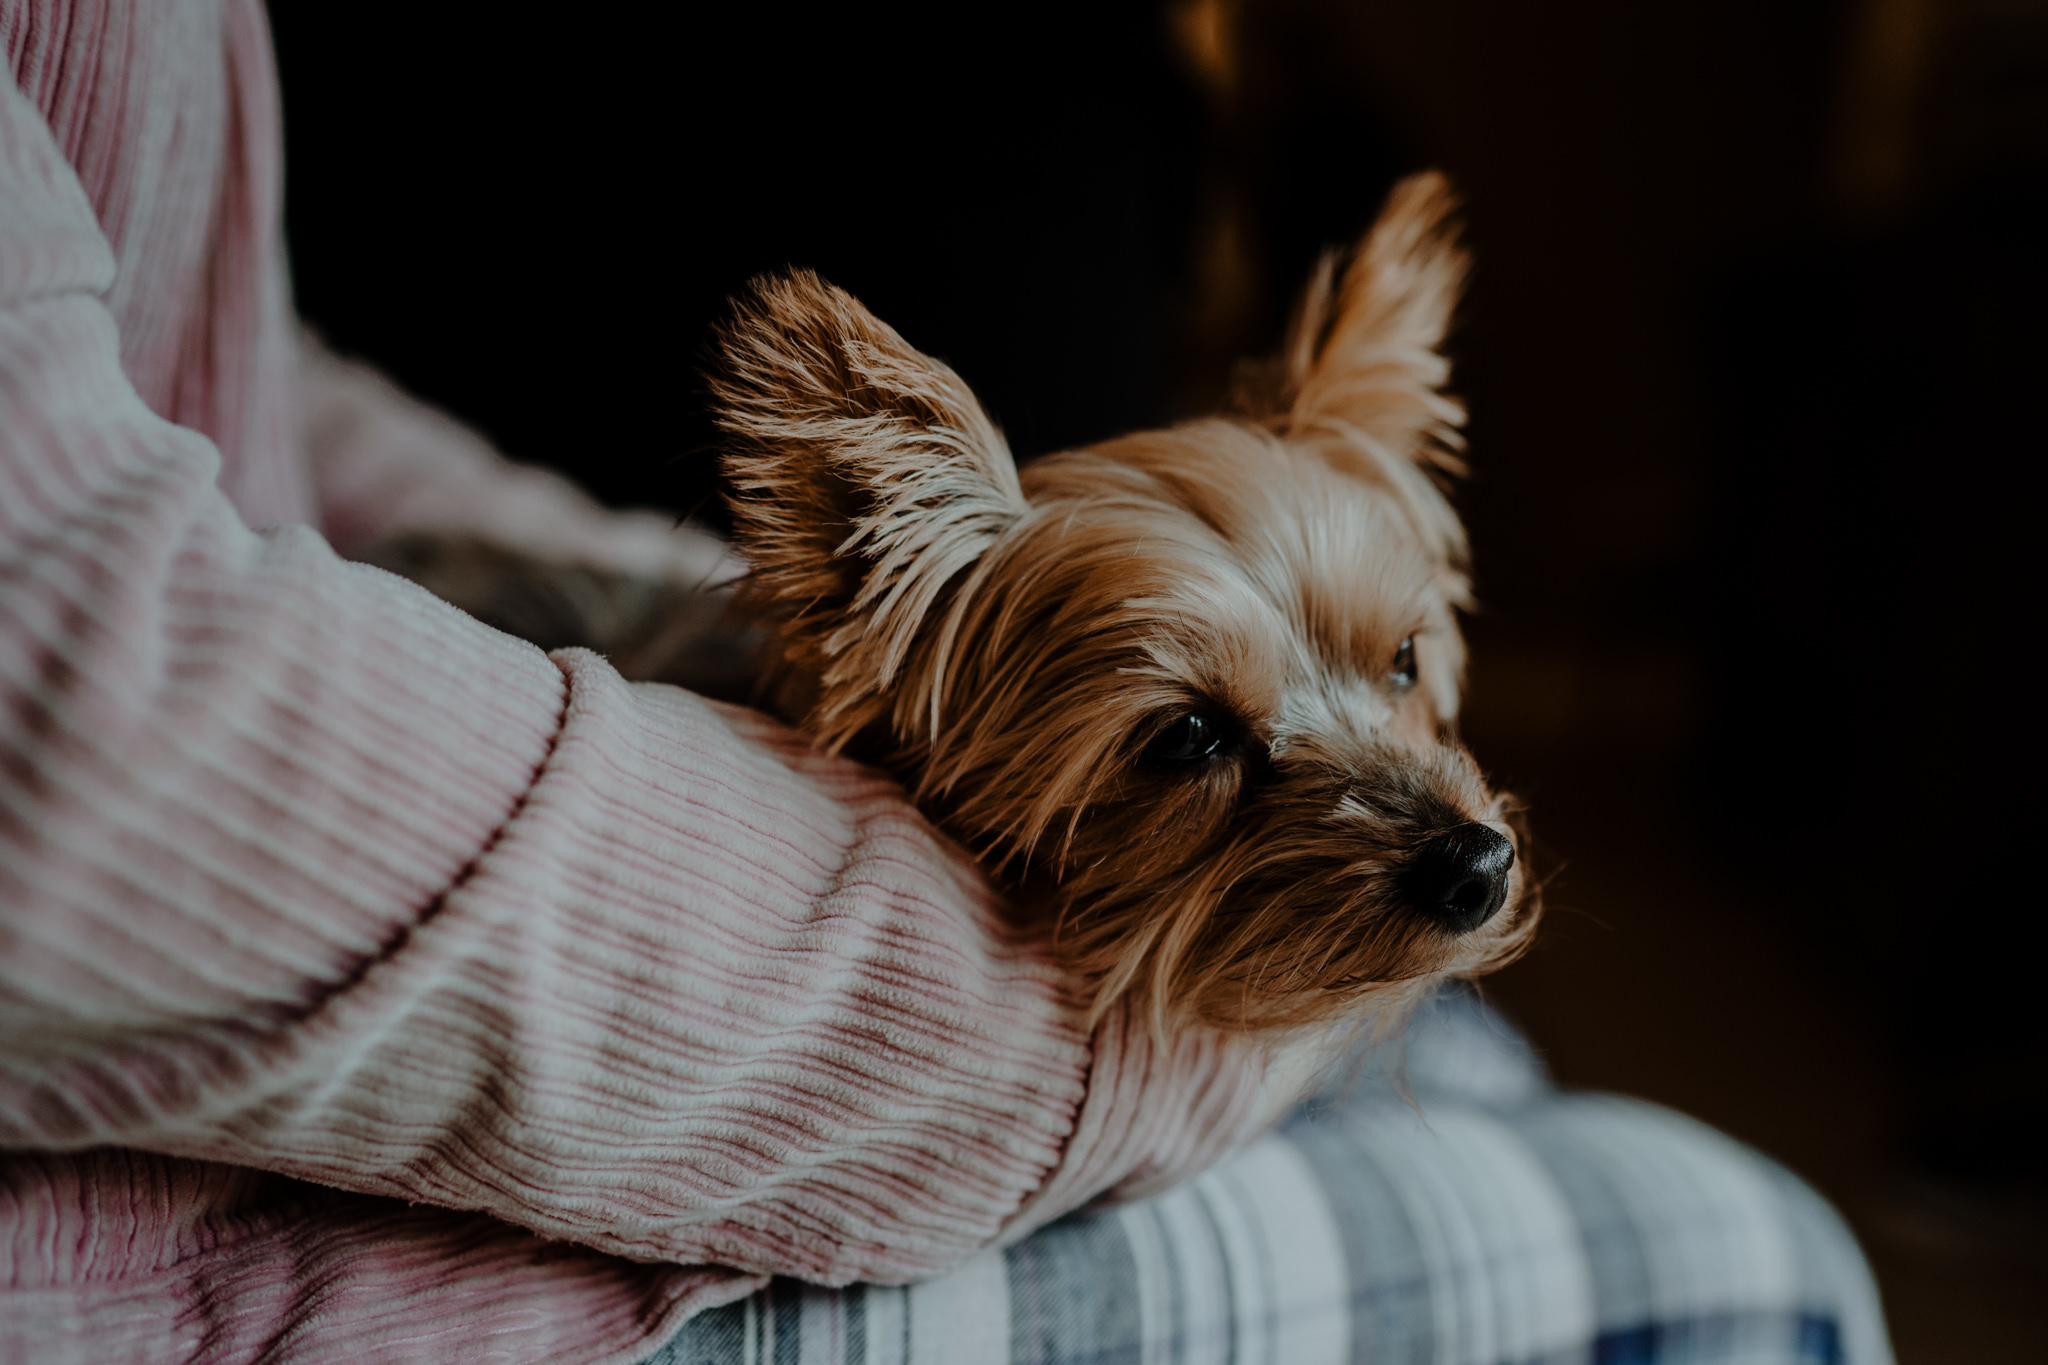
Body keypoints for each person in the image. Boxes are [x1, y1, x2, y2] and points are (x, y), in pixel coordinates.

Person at [0, 4, 1891, 1361]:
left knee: (1480, 1053)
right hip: (167, 1247)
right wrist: (1124, 1065)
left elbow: (256, 376)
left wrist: (635, 583)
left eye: (1403, 669)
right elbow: (75, 730)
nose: (1446, 820)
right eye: (1190, 744)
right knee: (1749, 1248)